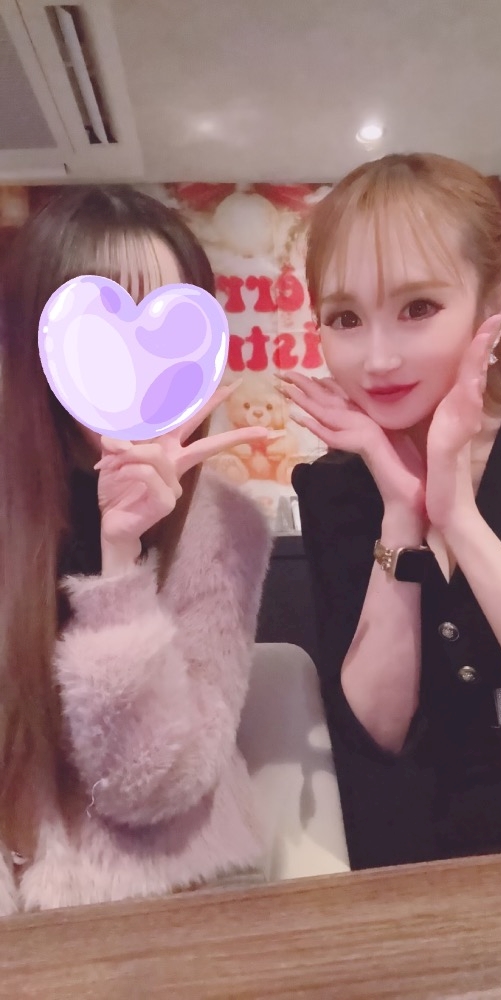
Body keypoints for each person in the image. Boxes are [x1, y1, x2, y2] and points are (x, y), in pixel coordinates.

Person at [280, 153, 501, 869]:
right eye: (345, 318)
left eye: (417, 309)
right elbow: (378, 733)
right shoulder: (336, 490)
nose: (377, 360)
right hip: (425, 881)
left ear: (495, 299)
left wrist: (458, 515)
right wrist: (402, 514)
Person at [0, 185, 273, 914]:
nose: (134, 368)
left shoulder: (225, 528)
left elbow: (150, 786)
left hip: (165, 901)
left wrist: (117, 565)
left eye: (165, 338)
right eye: (100, 340)